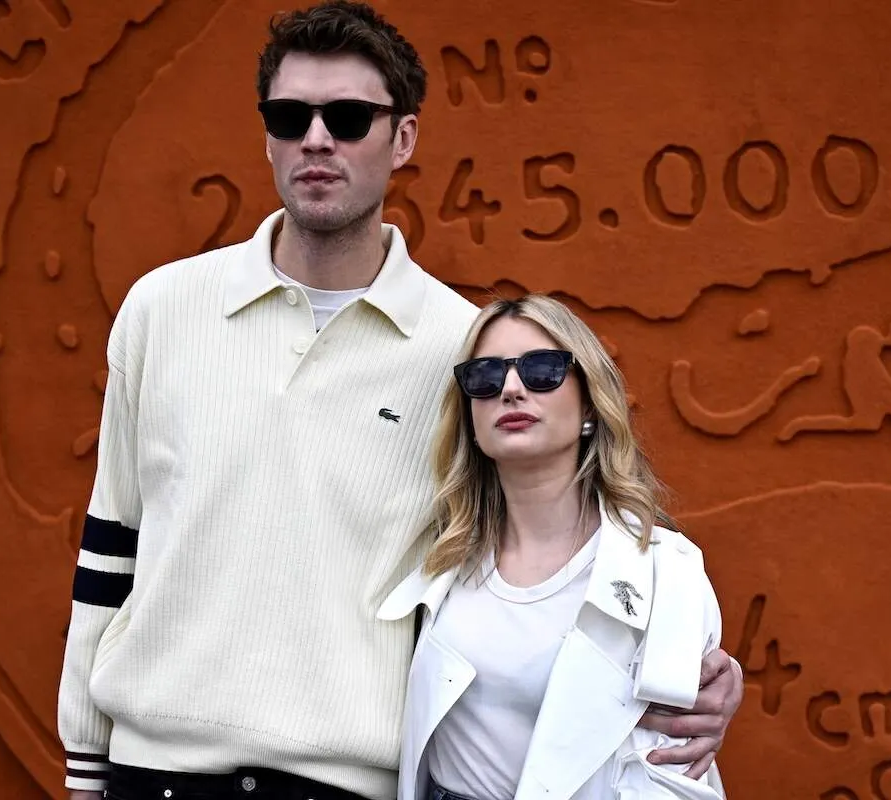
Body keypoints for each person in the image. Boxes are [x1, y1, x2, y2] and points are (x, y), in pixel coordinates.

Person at [57, 3, 744, 799]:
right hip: (157, 773)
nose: (318, 139)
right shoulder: (161, 310)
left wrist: (675, 663)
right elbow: (111, 543)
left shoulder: (463, 354)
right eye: (291, 116)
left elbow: (542, 544)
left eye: (349, 118)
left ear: (404, 139)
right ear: (269, 135)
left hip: (351, 783)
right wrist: (83, 763)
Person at [379, 295, 726, 800]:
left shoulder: (666, 574)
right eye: (486, 376)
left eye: (542, 370)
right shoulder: (437, 559)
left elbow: (677, 770)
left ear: (589, 403)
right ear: (470, 416)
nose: (512, 389)